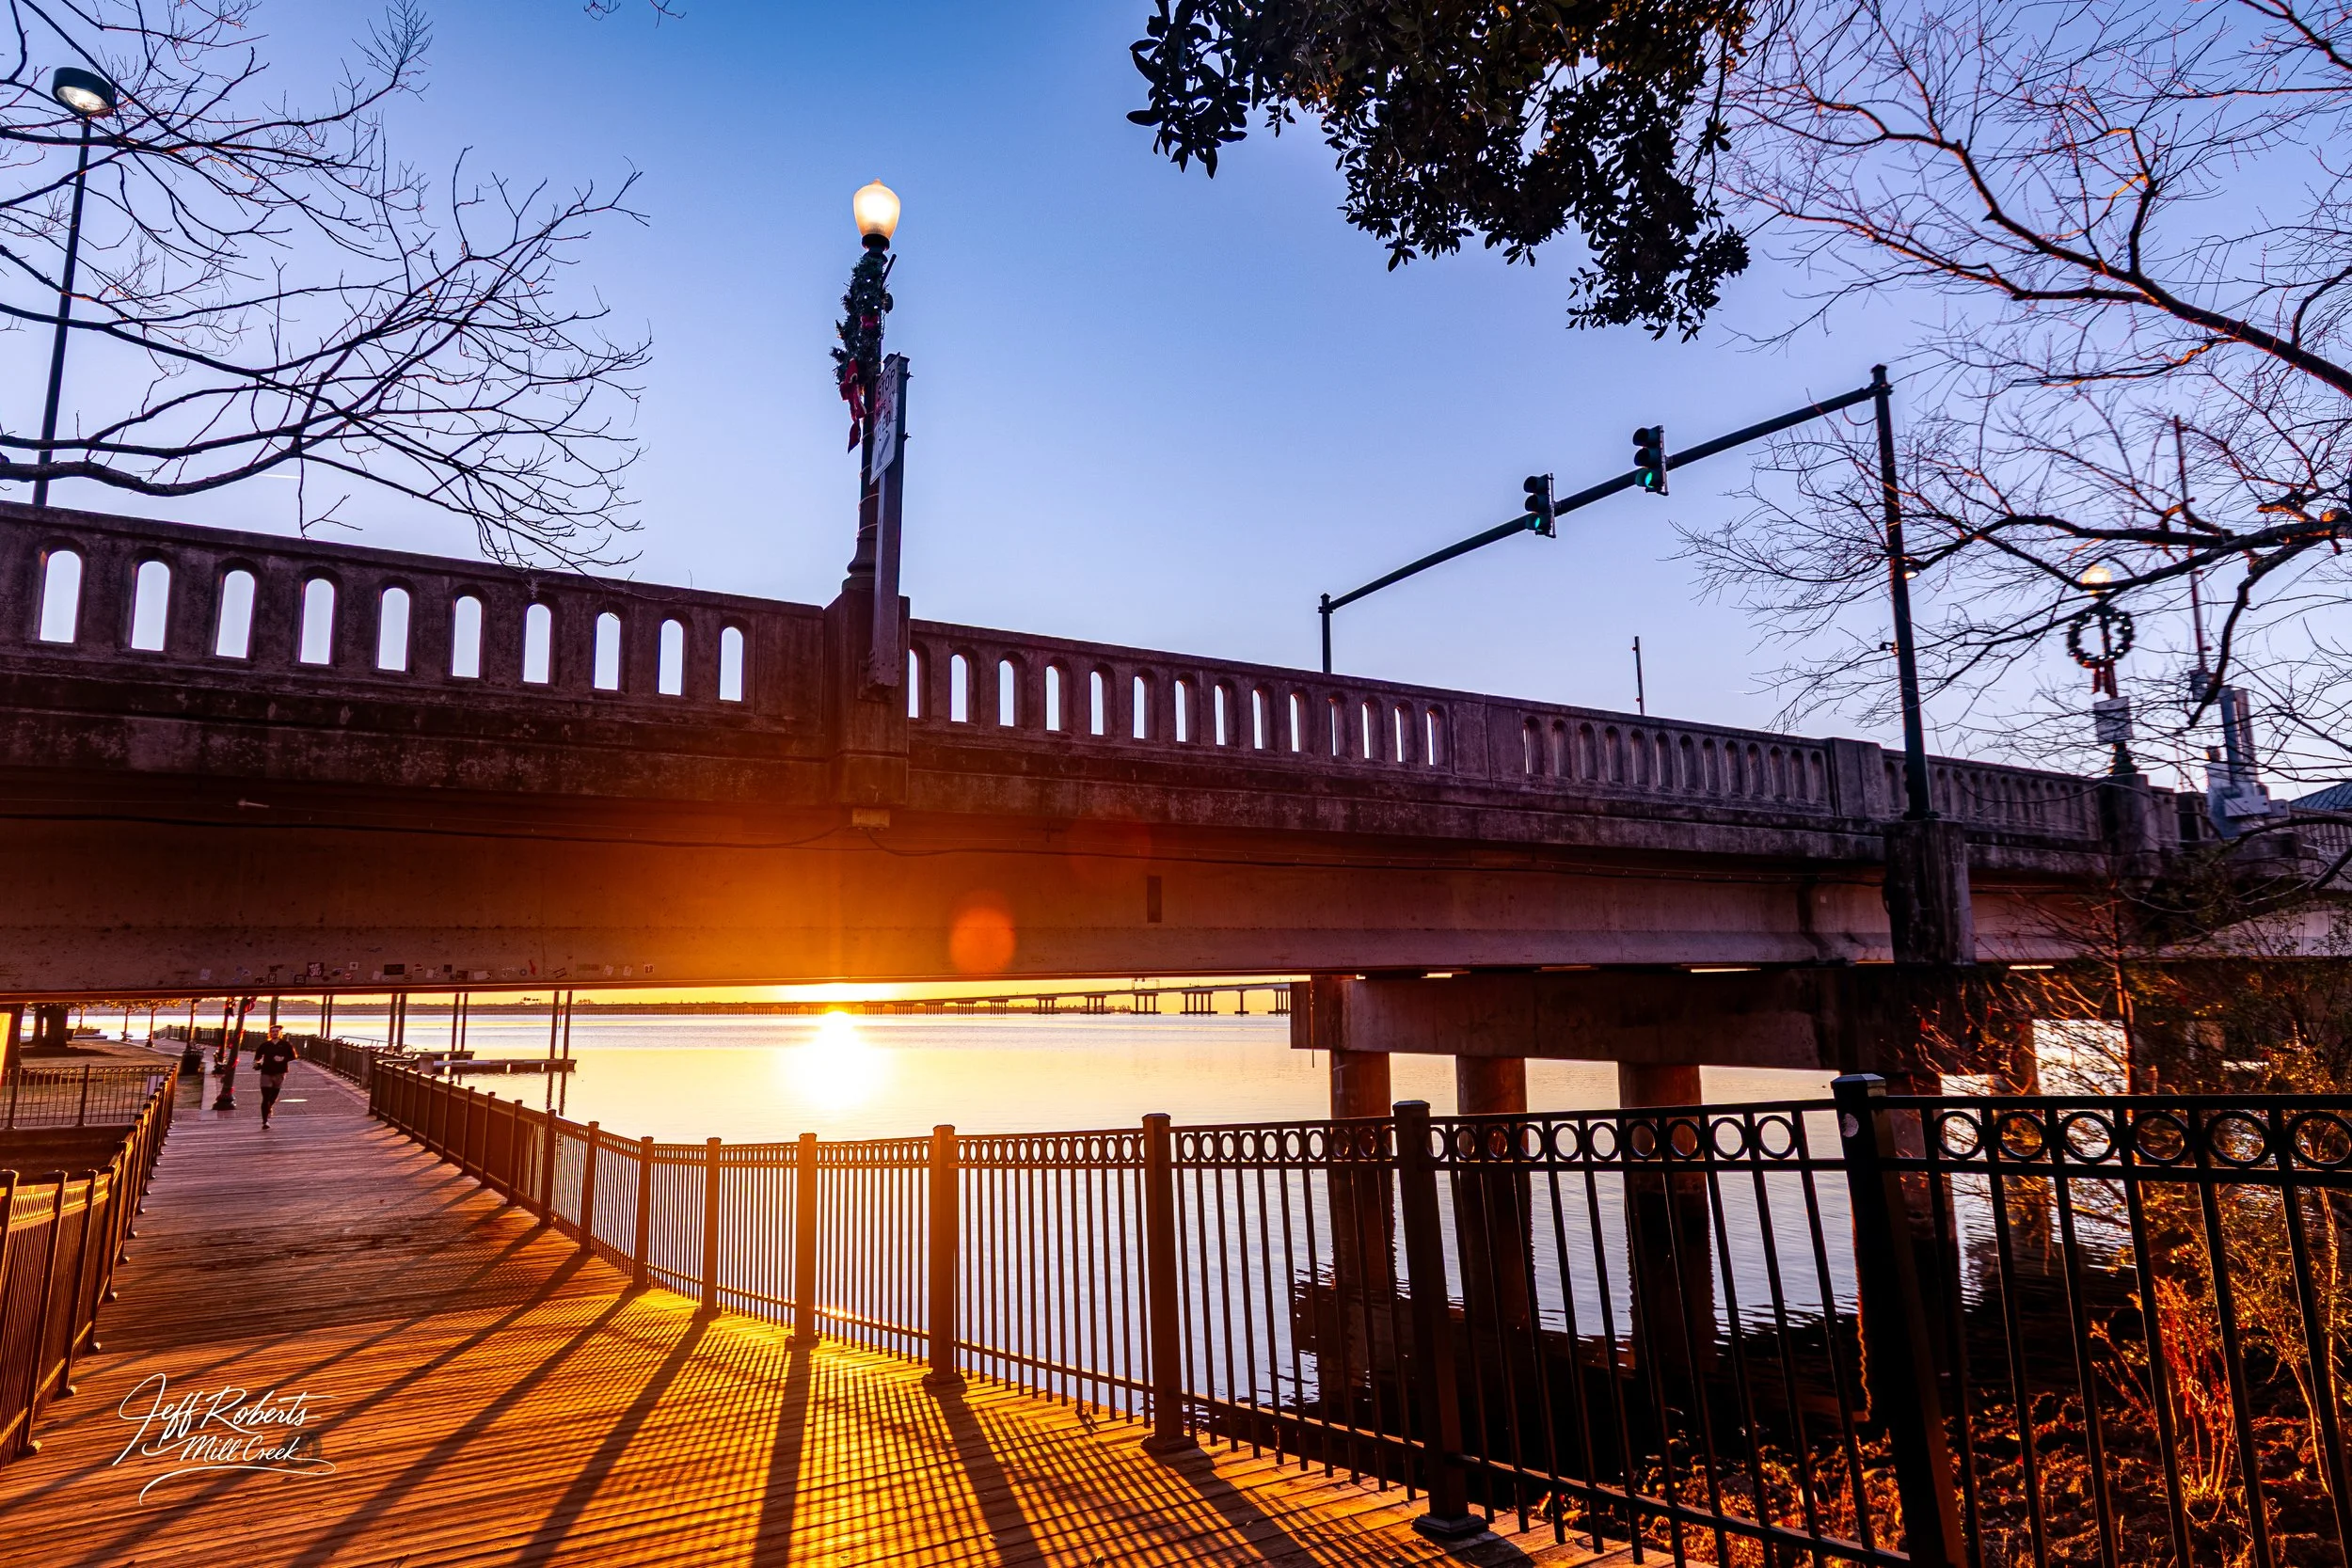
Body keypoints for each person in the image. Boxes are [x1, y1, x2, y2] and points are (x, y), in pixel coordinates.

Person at [255, 1025, 296, 1128]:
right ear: (270, 1033)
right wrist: (256, 1063)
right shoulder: (265, 1045)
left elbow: (293, 1056)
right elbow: (257, 1057)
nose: (274, 1033)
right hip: (266, 1072)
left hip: (280, 1072)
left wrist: (283, 1058)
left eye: (276, 1031)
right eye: (273, 1031)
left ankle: (269, 1108)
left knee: (273, 1097)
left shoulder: (286, 1045)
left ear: (280, 1033)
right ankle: (265, 1122)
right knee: (265, 1098)